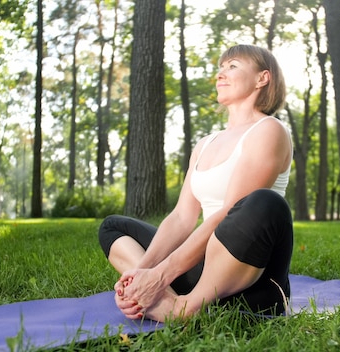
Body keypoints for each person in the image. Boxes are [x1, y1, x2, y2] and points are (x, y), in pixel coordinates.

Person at [98, 44, 293, 322]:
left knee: (265, 202)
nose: (220, 74)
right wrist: (142, 274)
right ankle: (163, 298)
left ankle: (184, 310)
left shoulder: (269, 130)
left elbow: (229, 211)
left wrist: (162, 273)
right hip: (202, 270)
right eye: (220, 68)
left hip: (250, 280)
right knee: (113, 227)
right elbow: (181, 218)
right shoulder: (205, 144)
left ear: (262, 78)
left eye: (233, 66)